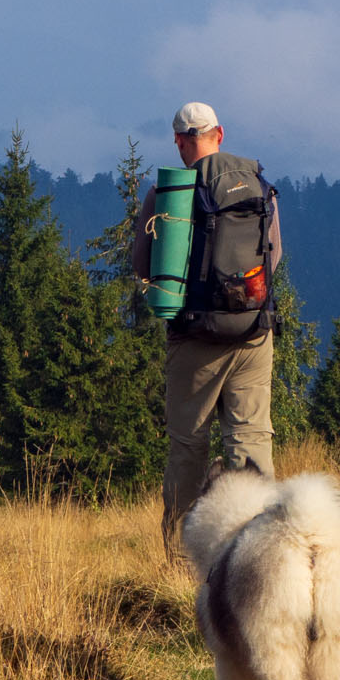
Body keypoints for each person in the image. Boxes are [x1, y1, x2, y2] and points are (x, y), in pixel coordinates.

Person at [130, 102, 283, 554]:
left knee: (188, 449)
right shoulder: (257, 185)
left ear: (179, 141)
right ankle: (257, 553)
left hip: (194, 339)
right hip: (254, 332)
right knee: (250, 441)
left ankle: (180, 558)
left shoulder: (168, 194)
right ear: (220, 133)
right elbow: (273, 257)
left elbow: (143, 265)